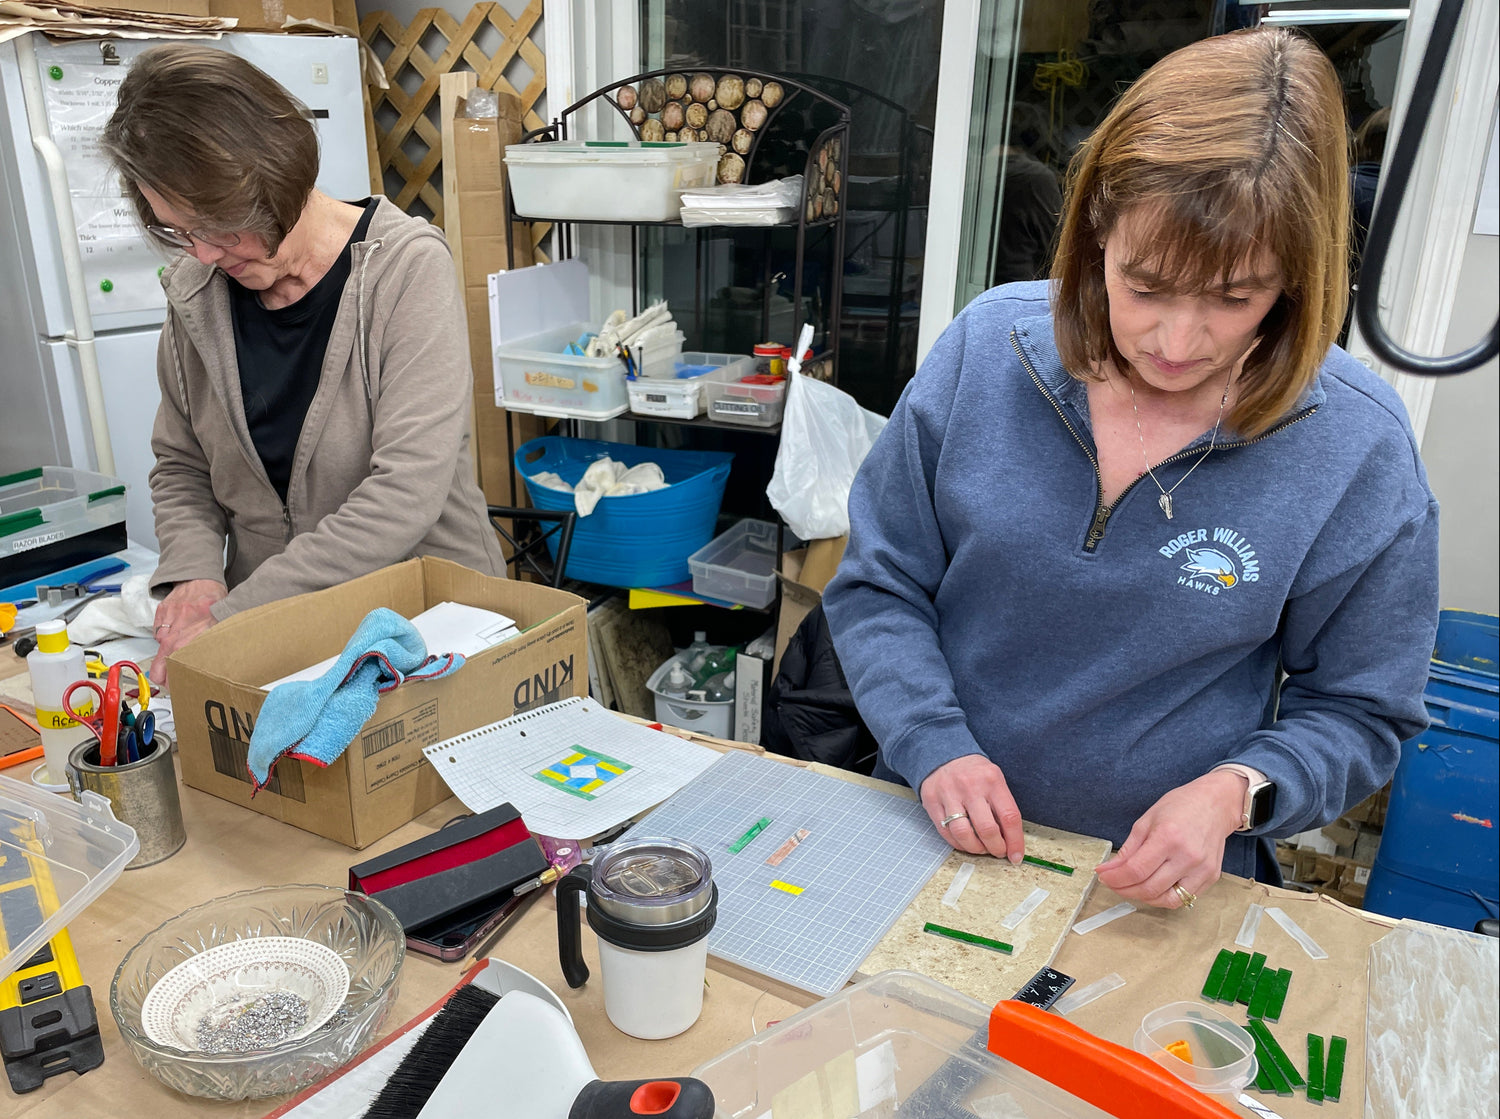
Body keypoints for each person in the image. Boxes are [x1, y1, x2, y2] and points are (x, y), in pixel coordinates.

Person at [821, 28, 1439, 911]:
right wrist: (931, 740)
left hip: (1159, 892)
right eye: (1145, 285)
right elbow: (880, 584)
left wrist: (1235, 792)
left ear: (1299, 279)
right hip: (932, 831)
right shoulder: (986, 354)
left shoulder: (1356, 449)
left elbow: (1363, 708)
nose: (1176, 342)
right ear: (1097, 229)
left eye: (1235, 298)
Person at [100, 45, 505, 685]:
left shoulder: (404, 269)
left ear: (273, 176)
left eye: (220, 227)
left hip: (426, 630)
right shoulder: (197, 290)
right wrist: (197, 573)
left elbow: (405, 493)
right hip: (276, 640)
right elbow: (182, 464)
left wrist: (234, 614)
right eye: (178, 230)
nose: (203, 253)